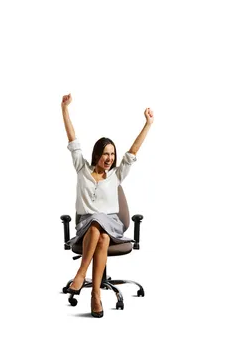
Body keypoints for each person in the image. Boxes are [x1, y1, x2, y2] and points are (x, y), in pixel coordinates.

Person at [61, 93, 154, 317]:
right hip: (86, 226)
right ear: (97, 154)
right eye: (105, 153)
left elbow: (132, 151)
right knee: (96, 228)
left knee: (100, 224)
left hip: (111, 224)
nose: (110, 158)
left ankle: (81, 275)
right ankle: (95, 296)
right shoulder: (82, 169)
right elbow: (72, 139)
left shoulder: (116, 175)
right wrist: (64, 109)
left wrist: (148, 124)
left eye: (112, 154)